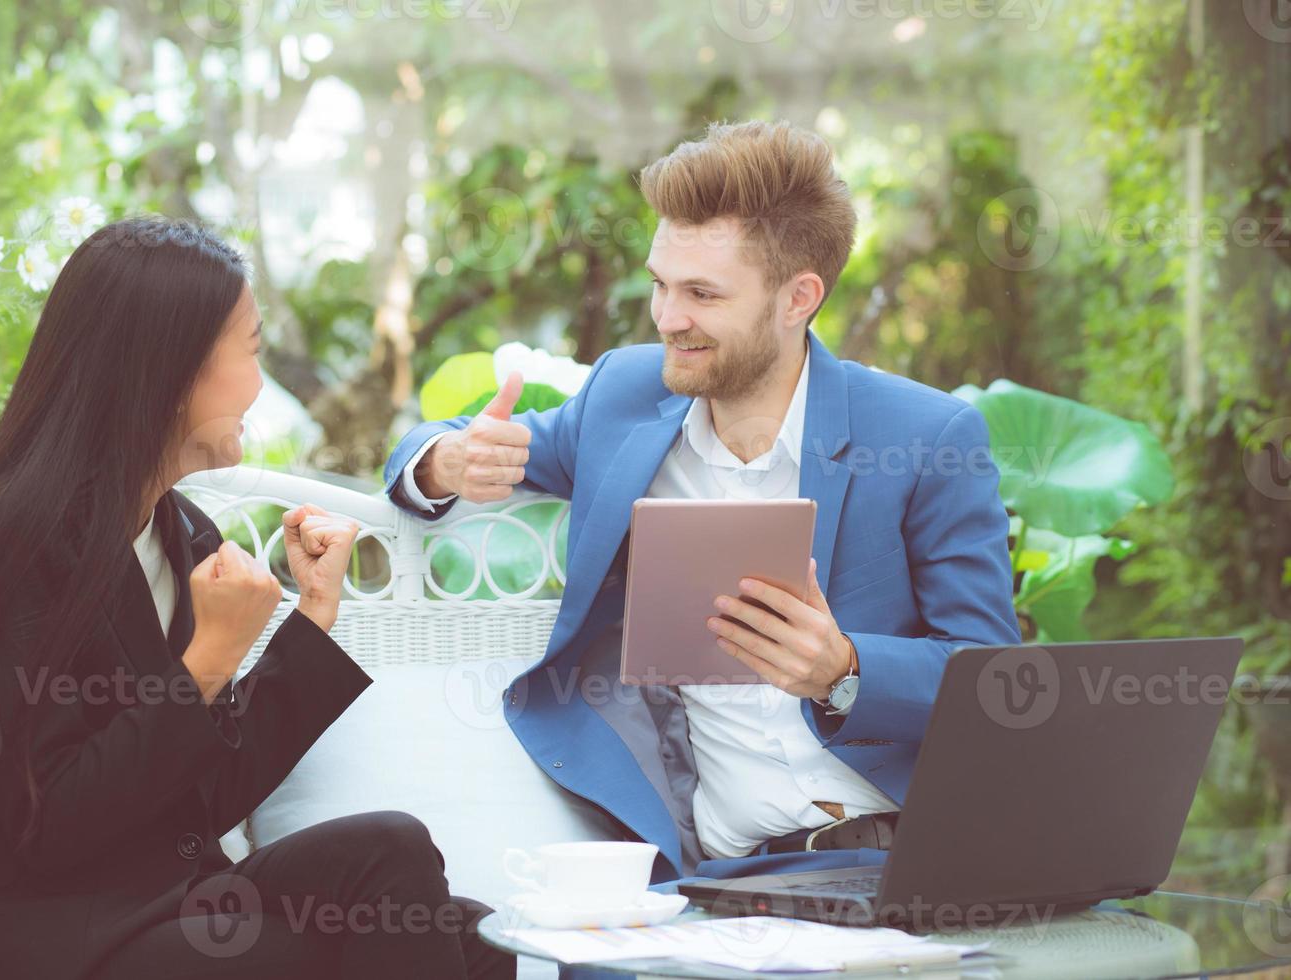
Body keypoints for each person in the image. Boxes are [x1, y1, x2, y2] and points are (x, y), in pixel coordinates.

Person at [385, 120, 1021, 887]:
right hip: (706, 879)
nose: (667, 317)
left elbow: (991, 682)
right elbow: (447, 444)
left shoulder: (925, 437)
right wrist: (447, 459)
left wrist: (844, 671)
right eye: (660, 283)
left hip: (889, 861)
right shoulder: (624, 398)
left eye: (701, 293)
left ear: (799, 299)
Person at [0, 215, 514, 980]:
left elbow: (199, 801)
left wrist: (311, 618)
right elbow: (43, 828)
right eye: (250, 349)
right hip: (46, 929)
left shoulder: (182, 536)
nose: (260, 382)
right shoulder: (11, 538)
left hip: (164, 899)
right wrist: (207, 661)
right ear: (170, 370)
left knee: (455, 918)